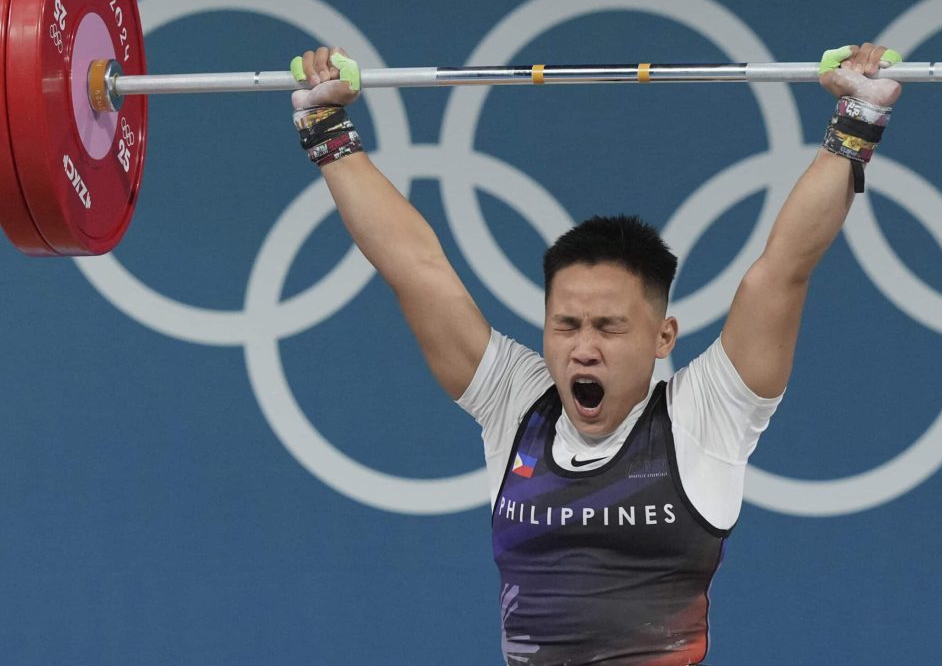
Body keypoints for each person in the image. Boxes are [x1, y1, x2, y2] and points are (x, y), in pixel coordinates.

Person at [290, 43, 902, 665]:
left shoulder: (705, 413)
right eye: (566, 326)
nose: (583, 349)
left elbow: (782, 272)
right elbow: (415, 269)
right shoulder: (518, 403)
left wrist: (857, 120)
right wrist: (327, 129)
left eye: (609, 328)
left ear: (663, 337)